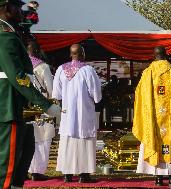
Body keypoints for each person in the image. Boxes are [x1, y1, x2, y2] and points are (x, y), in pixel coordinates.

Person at [0, 1, 61, 189]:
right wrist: (45, 105)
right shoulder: (5, 37)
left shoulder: (11, 33)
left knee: (24, 155)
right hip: (9, 105)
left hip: (19, 107)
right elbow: (18, 77)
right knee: (8, 164)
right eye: (17, 8)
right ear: (6, 9)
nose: (21, 11)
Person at [52, 44, 102, 183]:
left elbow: (57, 94)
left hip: (67, 115)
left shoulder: (60, 70)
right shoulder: (88, 70)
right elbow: (97, 96)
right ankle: (83, 175)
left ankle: (67, 174)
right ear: (83, 54)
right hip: (84, 114)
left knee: (67, 142)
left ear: (70, 54)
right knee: (84, 141)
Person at [133, 46, 171, 186]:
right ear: (166, 54)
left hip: (153, 117)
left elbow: (139, 96)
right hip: (170, 117)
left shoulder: (147, 73)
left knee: (153, 138)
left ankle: (157, 177)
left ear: (154, 55)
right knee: (170, 141)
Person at [27, 41, 55, 181]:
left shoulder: (20, 65)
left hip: (26, 108)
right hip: (43, 108)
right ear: (38, 51)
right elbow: (51, 90)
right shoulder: (43, 67)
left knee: (29, 139)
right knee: (44, 140)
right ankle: (37, 172)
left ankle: (28, 169)